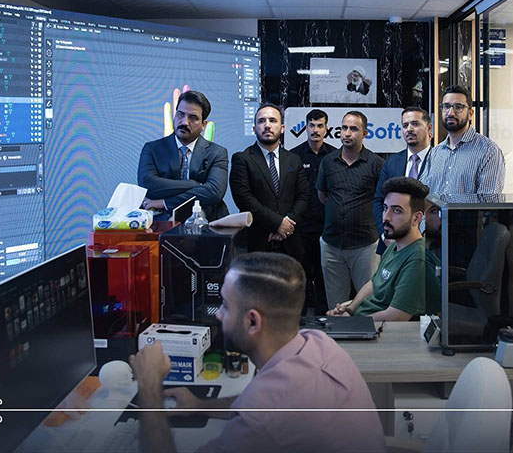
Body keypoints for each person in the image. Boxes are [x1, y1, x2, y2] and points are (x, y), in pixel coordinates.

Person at [129, 252, 386, 453]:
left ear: (253, 321)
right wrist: (199, 405)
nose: (218, 315)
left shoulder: (263, 420)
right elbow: (258, 404)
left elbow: (264, 412)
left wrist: (149, 386)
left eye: (225, 305)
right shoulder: (319, 343)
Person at [328, 177, 440, 321]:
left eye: (397, 211)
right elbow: (374, 283)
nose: (386, 217)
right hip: (364, 320)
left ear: (416, 218)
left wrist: (351, 323)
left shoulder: (417, 259)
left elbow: (397, 316)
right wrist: (349, 310)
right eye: (385, 208)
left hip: (383, 330)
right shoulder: (394, 246)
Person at [316, 111, 384, 308]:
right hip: (332, 244)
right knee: (336, 306)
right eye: (344, 128)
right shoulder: (328, 162)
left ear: (365, 133)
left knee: (368, 305)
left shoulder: (376, 164)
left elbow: (381, 201)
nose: (347, 133)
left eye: (353, 129)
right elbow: (323, 196)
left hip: (366, 246)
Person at [229, 104, 310, 262]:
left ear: (282, 128)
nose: (267, 125)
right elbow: (243, 198)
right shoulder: (242, 159)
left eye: (273, 120)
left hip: (291, 241)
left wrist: (286, 225)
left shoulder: (294, 159)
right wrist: (277, 224)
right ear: (254, 129)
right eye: (261, 121)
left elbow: (304, 196)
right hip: (257, 241)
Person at [137, 90, 229, 221]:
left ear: (204, 125)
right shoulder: (152, 149)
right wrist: (195, 185)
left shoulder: (217, 152)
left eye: (193, 118)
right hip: (161, 222)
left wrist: (165, 202)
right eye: (180, 114)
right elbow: (148, 185)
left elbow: (214, 192)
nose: (184, 122)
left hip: (206, 222)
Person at [419, 85, 505, 198]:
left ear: (470, 114)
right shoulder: (435, 153)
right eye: (446, 106)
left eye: (458, 107)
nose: (451, 113)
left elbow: (489, 201)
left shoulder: (488, 151)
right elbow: (424, 195)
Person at [289, 109, 335, 312]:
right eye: (312, 125)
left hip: (327, 228)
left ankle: (325, 316)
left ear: (326, 129)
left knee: (325, 276)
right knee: (301, 276)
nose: (315, 130)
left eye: (320, 126)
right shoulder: (294, 156)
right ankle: (298, 319)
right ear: (305, 127)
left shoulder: (335, 155)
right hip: (301, 228)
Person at [372, 106, 432, 253]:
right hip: (393, 245)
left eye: (415, 124)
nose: (409, 129)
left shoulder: (440, 160)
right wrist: (386, 234)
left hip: (429, 244)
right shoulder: (392, 162)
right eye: (405, 125)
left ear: (429, 128)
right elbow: (378, 200)